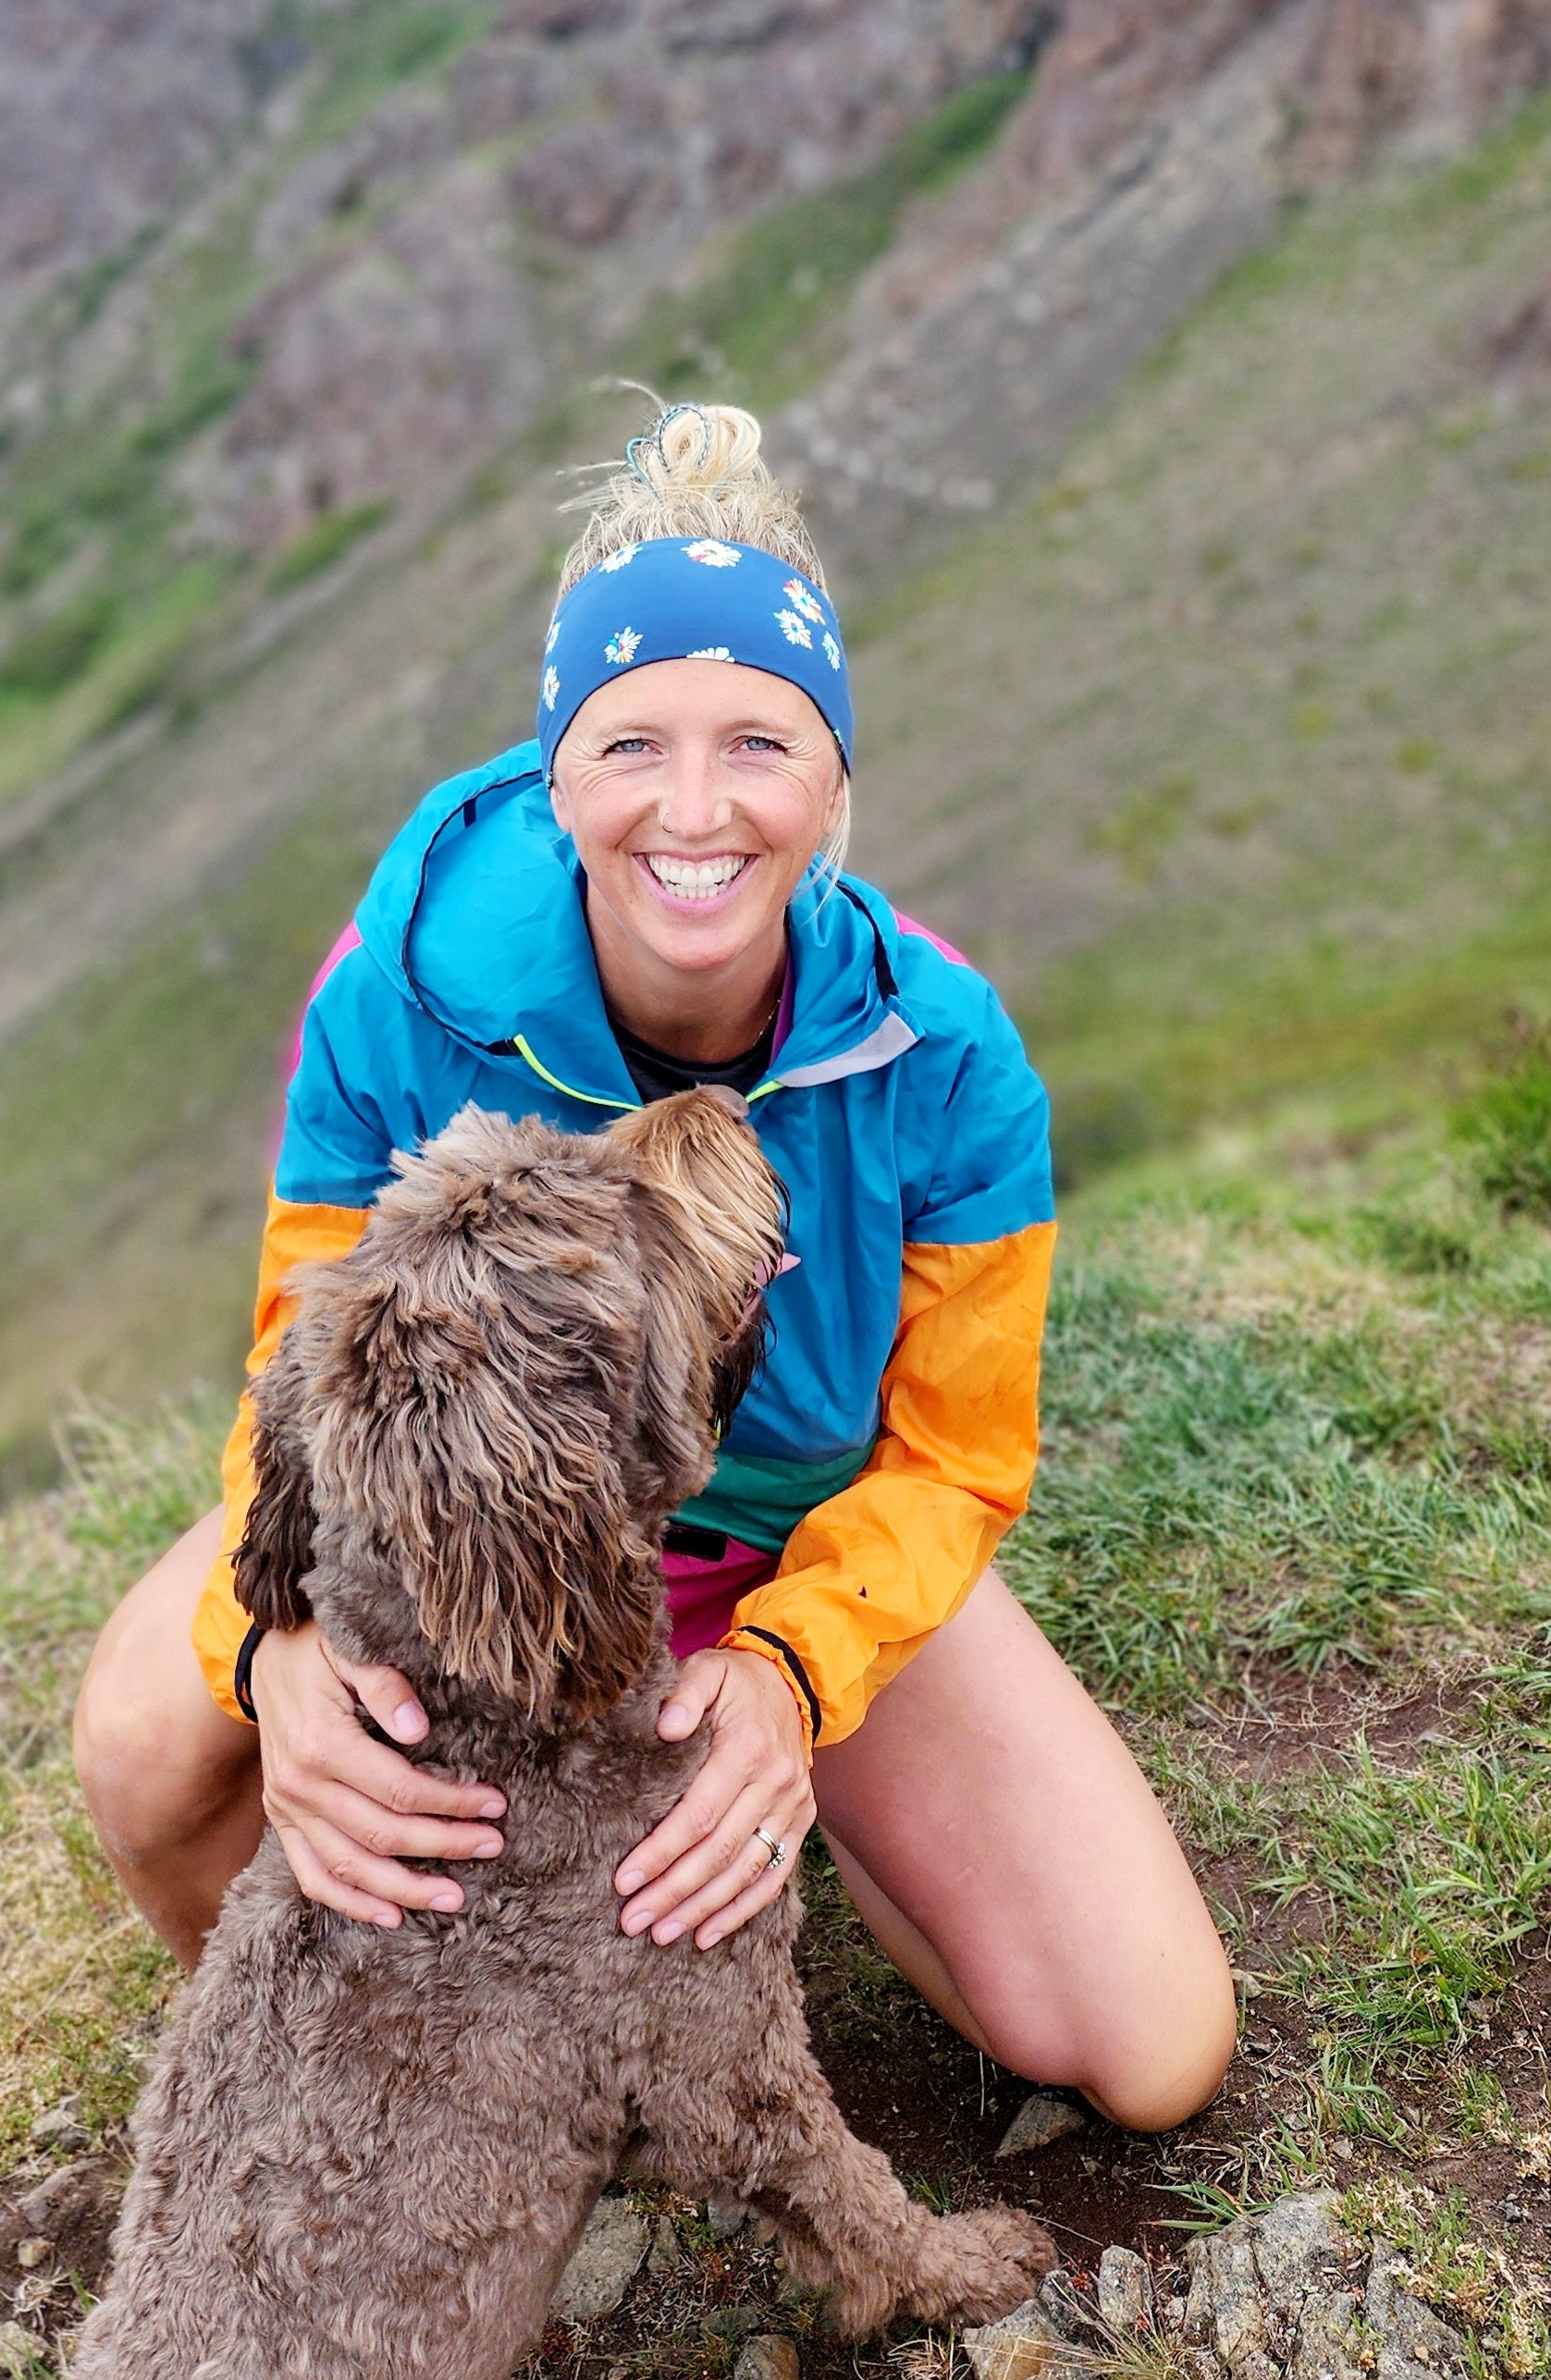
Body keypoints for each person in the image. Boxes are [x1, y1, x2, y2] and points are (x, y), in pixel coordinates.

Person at [75, 401, 1235, 2135]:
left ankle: (794, 1809)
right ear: (559, 770)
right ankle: (375, 2043)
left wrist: (792, 1678)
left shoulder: (946, 1056)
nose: (694, 810)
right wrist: (285, 1642)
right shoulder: (400, 994)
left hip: (787, 1539)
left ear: (835, 776)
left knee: (1148, 2050)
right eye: (632, 747)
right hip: (474, 1540)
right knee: (148, 1750)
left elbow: (958, 1458)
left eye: (759, 742)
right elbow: (304, 1367)